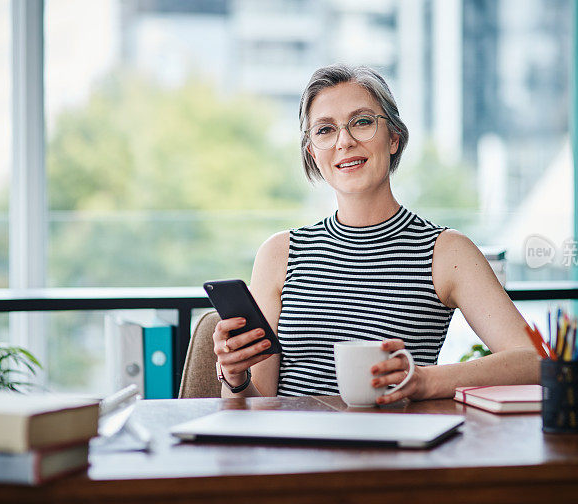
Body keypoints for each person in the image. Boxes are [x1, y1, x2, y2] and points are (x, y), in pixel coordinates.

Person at [213, 64, 540, 403]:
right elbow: (259, 403)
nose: (345, 141)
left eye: (363, 122)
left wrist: (428, 381)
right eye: (325, 130)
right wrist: (235, 378)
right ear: (312, 152)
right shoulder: (279, 253)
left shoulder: (446, 252)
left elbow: (536, 361)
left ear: (394, 138)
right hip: (297, 452)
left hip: (395, 448)